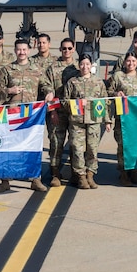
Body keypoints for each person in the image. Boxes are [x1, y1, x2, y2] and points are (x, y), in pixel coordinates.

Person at [0, 39, 49, 193]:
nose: (21, 52)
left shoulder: (37, 69)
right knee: (9, 147)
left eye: (24, 49)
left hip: (31, 115)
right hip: (12, 115)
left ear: (29, 51)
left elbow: (46, 85)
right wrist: (9, 91)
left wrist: (49, 93)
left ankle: (35, 179)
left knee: (33, 146)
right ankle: (5, 180)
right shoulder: (7, 69)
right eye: (19, 49)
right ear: (15, 50)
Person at [64, 54, 111, 189]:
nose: (85, 67)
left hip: (94, 120)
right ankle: (81, 176)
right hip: (77, 121)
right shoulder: (72, 82)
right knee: (77, 150)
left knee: (92, 149)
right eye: (82, 64)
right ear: (79, 65)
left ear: (92, 66)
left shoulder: (98, 82)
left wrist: (107, 121)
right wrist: (77, 104)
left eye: (87, 64)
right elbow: (65, 101)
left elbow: (105, 101)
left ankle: (90, 174)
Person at [107, 51, 137, 186]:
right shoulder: (118, 76)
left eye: (133, 61)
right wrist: (115, 93)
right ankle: (124, 174)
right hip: (123, 118)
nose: (131, 64)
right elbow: (107, 92)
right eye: (128, 61)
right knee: (123, 145)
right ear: (124, 62)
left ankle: (135, 173)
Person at [39, 38, 78, 186]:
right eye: (64, 49)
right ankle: (55, 173)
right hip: (58, 111)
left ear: (73, 49)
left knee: (76, 143)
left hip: (74, 112)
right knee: (56, 142)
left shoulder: (79, 67)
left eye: (69, 48)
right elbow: (47, 88)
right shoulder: (52, 68)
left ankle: (76, 173)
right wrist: (52, 111)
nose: (66, 51)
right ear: (60, 50)